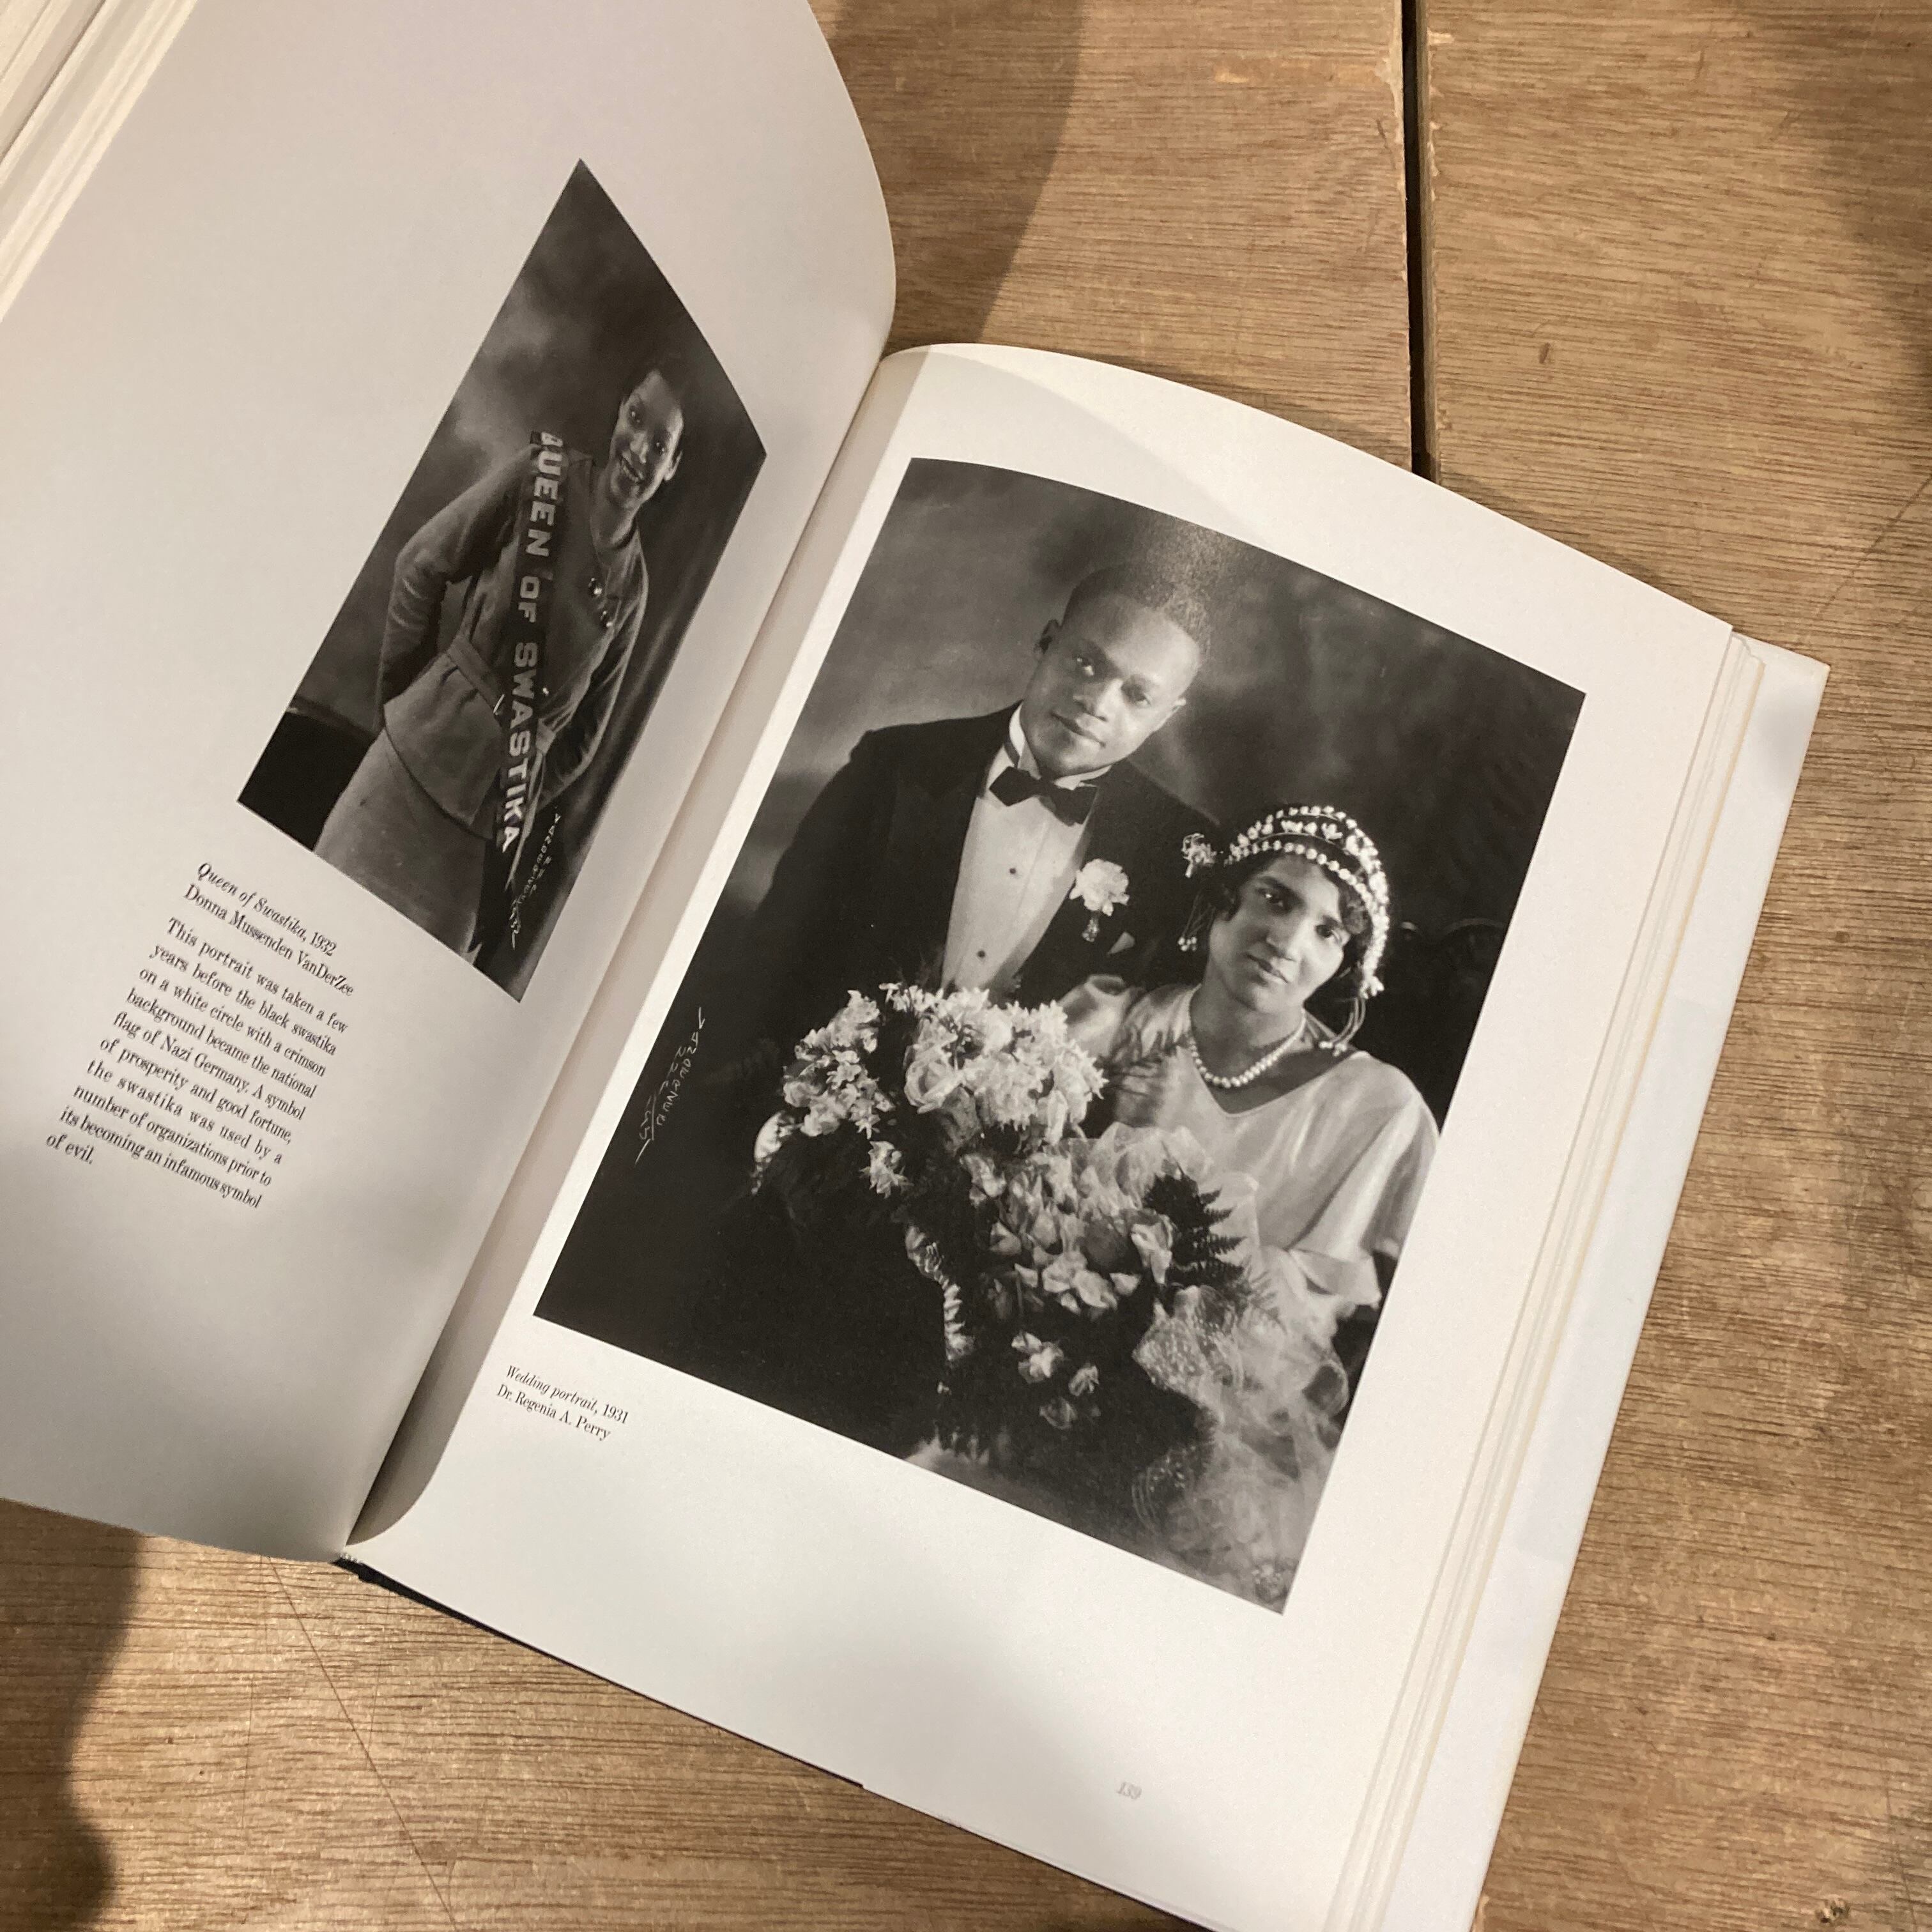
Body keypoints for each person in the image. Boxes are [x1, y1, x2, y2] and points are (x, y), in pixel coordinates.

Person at [1061, 802, 1438, 1607]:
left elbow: (1367, 1328)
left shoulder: (1379, 1109)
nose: (1288, 941)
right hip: (1051, 1374)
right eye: (1274, 898)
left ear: (1347, 964)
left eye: (1328, 932)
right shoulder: (1112, 1023)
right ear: (1219, 905)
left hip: (1225, 1453)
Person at [742, 562, 1216, 1062]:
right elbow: (774, 950)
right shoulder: (894, 765)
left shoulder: (1179, 847)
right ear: (1047, 642)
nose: (1097, 702)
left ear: (1166, 716)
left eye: (1137, 695)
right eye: (1085, 662)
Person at [314, 366, 686, 964]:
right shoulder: (541, 477)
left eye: (661, 444)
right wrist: (412, 707)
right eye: (637, 417)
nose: (639, 449)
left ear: (672, 467)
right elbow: (420, 566)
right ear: (620, 408)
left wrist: (519, 779)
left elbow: (582, 742)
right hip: (406, 777)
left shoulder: (634, 589)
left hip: (484, 838)